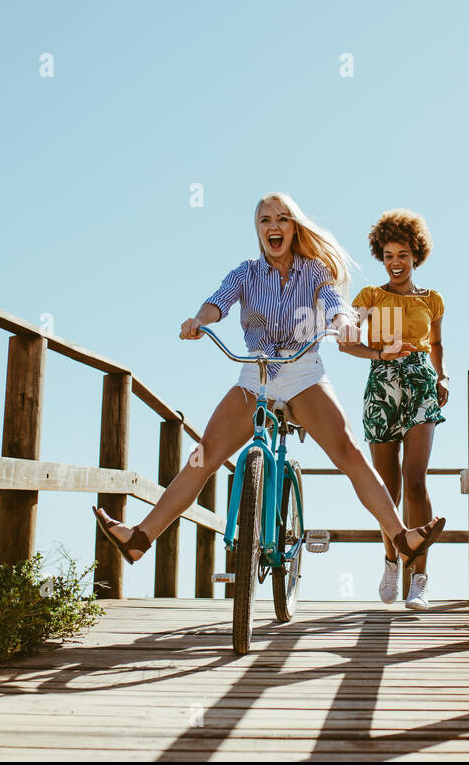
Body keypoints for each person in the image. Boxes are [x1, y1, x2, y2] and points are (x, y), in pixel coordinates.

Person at [93, 193, 445, 580]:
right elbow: (219, 302)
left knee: (348, 450)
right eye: (264, 221)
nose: (273, 227)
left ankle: (401, 538)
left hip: (302, 370)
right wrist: (199, 319)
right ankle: (140, 537)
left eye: (282, 219)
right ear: (257, 229)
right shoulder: (245, 273)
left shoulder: (314, 270)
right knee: (204, 454)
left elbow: (334, 303)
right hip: (256, 370)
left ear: (295, 228)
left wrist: (344, 322)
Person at [338, 209, 448, 610]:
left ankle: (419, 576)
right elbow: (345, 342)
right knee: (387, 487)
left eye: (402, 253)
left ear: (416, 254)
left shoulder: (432, 300)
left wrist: (444, 377)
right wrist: (375, 350)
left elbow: (436, 345)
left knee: (415, 479)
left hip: (420, 383)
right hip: (381, 387)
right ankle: (391, 559)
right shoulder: (370, 297)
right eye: (387, 255)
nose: (395, 262)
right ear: (380, 258)